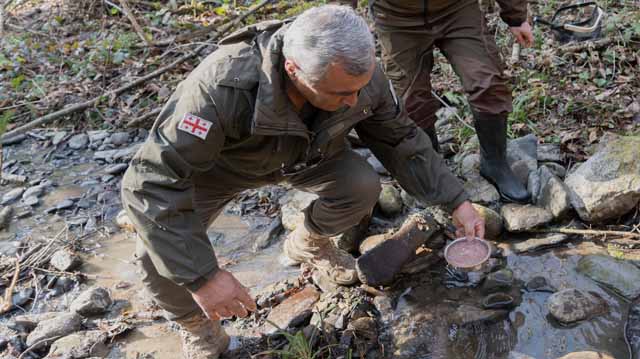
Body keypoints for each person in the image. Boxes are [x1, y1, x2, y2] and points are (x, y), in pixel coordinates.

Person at [120, 5, 485, 358]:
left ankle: (308, 243)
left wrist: (456, 200)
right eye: (341, 94)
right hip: (217, 168)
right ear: (294, 70)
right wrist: (203, 277)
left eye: (358, 90)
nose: (354, 101)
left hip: (305, 155)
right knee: (158, 250)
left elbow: (401, 140)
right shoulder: (221, 88)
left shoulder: (360, 75)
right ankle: (198, 328)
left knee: (360, 185)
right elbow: (151, 181)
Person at [369, 0, 534, 203]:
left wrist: (516, 16)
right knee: (410, 101)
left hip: (457, 9)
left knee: (487, 82)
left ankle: (495, 163)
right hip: (396, 17)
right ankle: (433, 172)